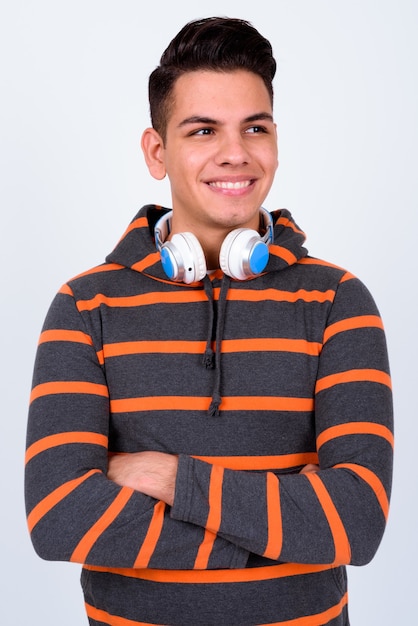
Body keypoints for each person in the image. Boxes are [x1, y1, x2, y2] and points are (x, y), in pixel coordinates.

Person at [25, 16, 394, 626]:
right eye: (203, 130)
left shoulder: (339, 301)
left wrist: (169, 477)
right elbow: (59, 517)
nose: (235, 153)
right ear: (157, 151)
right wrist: (284, 537)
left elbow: (356, 523)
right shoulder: (84, 307)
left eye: (256, 127)